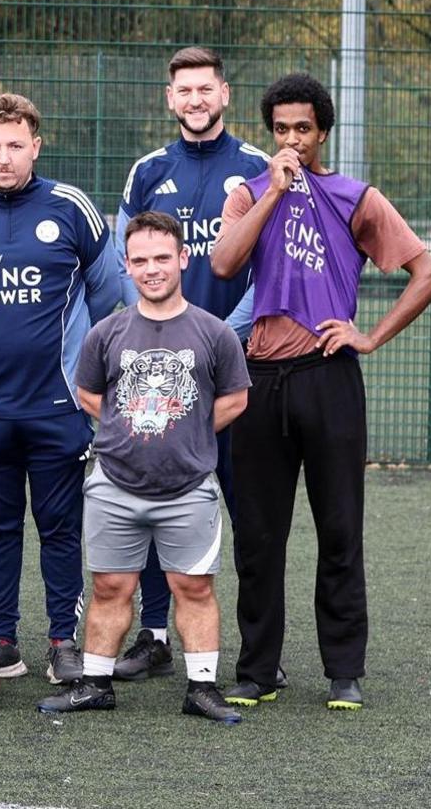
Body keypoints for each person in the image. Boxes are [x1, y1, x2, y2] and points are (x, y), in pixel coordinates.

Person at [211, 73, 431, 711]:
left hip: (328, 375)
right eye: (281, 130)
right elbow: (224, 265)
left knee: (339, 527)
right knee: (258, 534)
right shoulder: (251, 193)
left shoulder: (354, 196)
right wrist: (270, 197)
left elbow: (423, 269)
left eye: (302, 129)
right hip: (259, 380)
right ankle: (258, 671)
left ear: (322, 132)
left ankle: (344, 671)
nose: (292, 140)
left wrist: (371, 337)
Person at [0, 92, 121, 685]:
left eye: (16, 145)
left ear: (36, 146)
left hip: (57, 406)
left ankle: (63, 641)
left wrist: (77, 376)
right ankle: (1, 637)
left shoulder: (72, 209)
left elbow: (107, 295)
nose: (5, 157)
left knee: (61, 527)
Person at [36, 212, 249, 723]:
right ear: (126, 266)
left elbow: (236, 398)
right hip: (115, 484)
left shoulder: (214, 333)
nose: (151, 269)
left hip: (188, 484)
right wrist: (129, 429)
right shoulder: (107, 333)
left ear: (182, 259)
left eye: (161, 258)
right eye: (139, 261)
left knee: (194, 587)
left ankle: (201, 688)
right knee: (111, 585)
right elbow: (89, 393)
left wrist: (188, 430)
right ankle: (94, 683)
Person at [108, 46, 268, 681]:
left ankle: (260, 652)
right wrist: (156, 338)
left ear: (224, 94)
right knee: (152, 503)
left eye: (206, 89)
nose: (196, 100)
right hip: (159, 382)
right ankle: (152, 637)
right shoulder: (148, 170)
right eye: (185, 91)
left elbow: (271, 269)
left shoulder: (257, 168)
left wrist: (218, 340)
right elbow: (129, 265)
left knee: (250, 512)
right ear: (169, 99)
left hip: (235, 371)